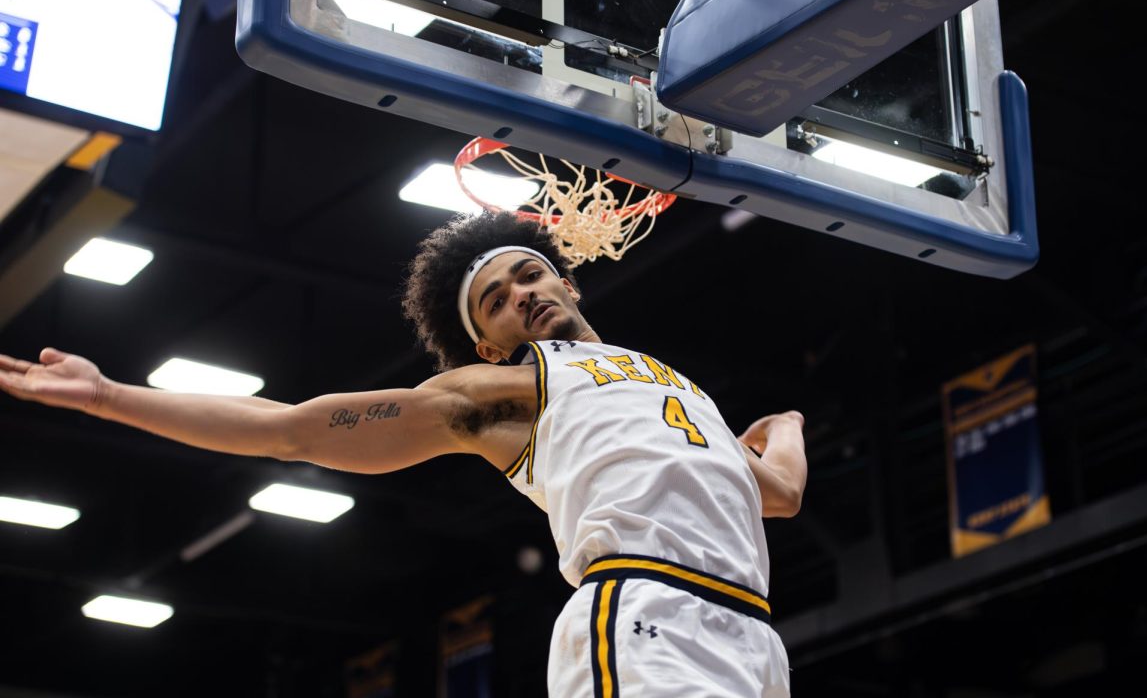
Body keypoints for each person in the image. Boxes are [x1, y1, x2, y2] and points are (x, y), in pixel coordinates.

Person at [0, 211, 807, 697]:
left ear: (569, 283)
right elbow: (294, 428)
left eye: (530, 276)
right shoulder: (508, 392)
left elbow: (776, 494)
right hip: (646, 611)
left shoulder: (676, 385)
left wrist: (788, 421)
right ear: (486, 348)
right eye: (497, 301)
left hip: (753, 630)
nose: (523, 293)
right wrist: (109, 397)